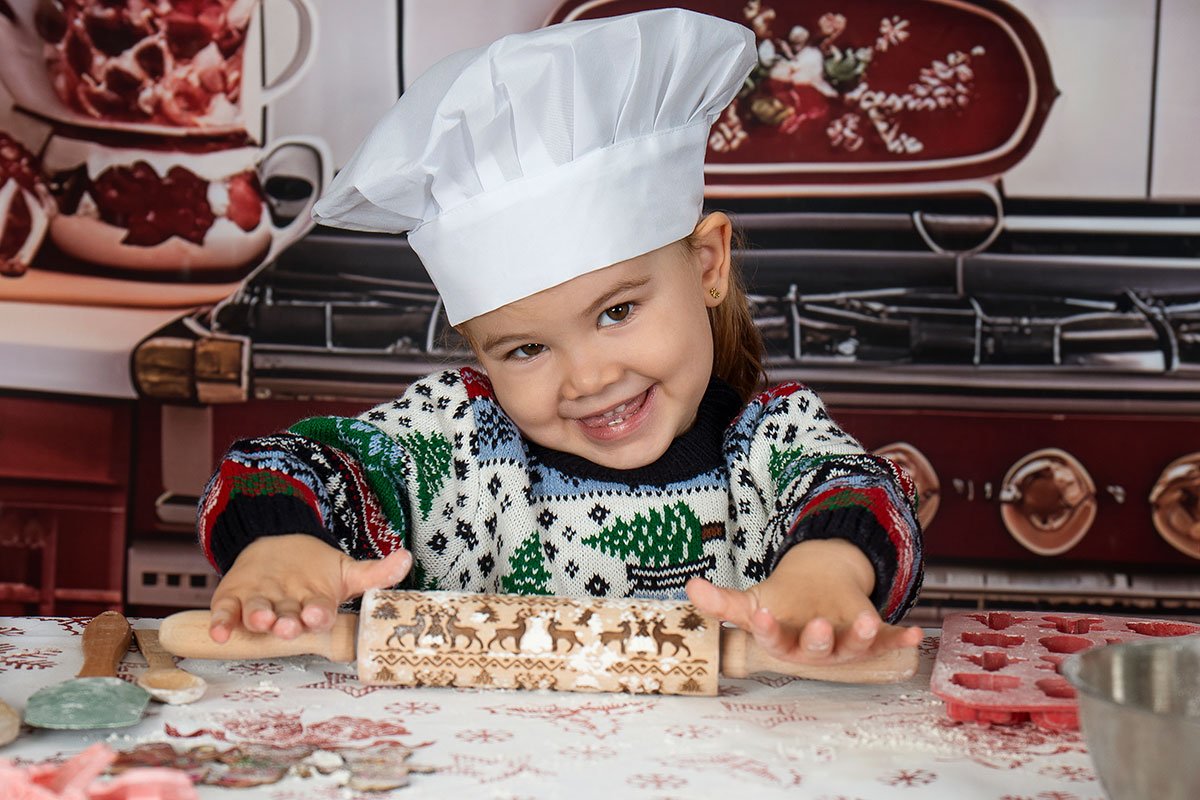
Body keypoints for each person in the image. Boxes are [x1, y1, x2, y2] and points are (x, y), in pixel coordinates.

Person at [198, 8, 924, 666]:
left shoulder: (770, 447)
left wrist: (827, 572)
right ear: (477, 351)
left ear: (707, 264)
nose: (586, 380)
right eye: (526, 349)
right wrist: (281, 542)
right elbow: (291, 464)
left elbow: (857, 493)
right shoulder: (455, 447)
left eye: (616, 312)